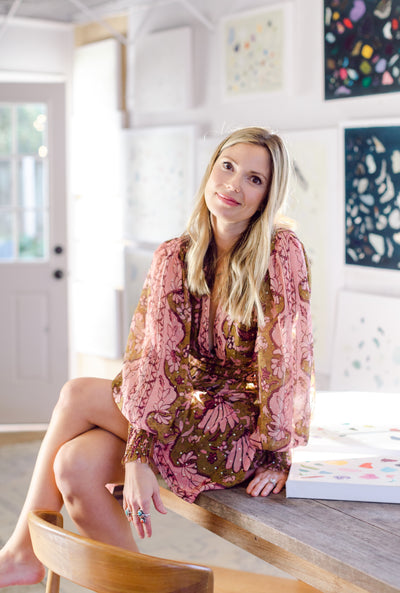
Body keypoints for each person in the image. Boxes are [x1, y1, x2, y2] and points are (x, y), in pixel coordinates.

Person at [0, 126, 314, 588]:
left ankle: (19, 551)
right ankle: (142, 587)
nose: (234, 185)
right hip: (180, 413)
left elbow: (287, 359)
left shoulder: (280, 252)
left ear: (268, 195)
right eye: (227, 167)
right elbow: (154, 360)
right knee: (74, 466)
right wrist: (139, 451)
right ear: (210, 170)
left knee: (77, 394)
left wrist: (278, 453)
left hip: (237, 432)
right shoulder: (176, 255)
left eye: (254, 179)